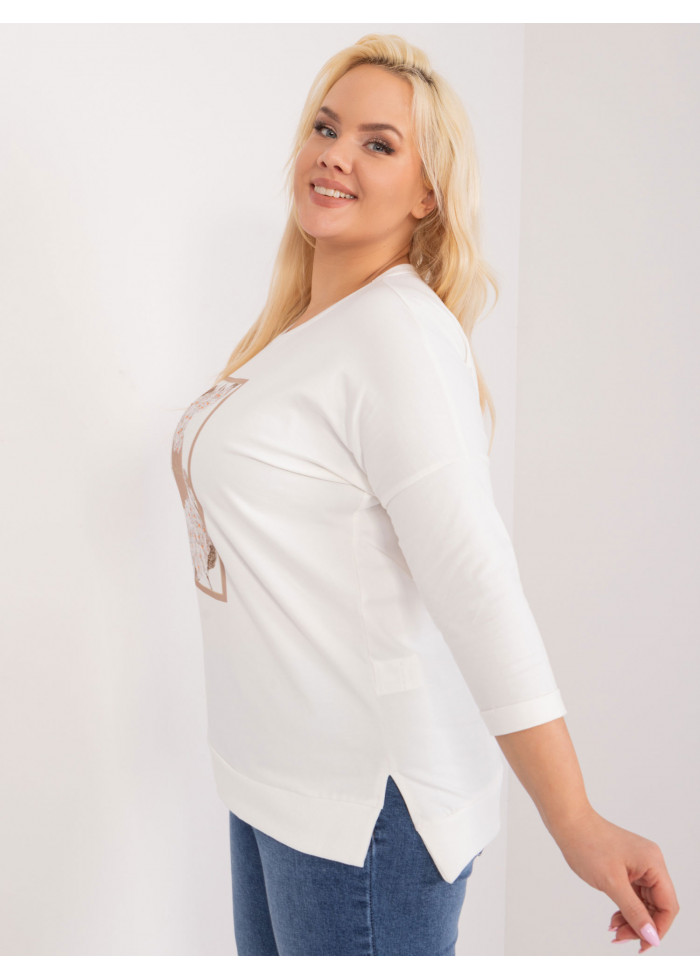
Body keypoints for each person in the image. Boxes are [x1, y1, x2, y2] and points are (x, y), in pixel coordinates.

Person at [170, 33, 679, 956]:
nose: (337, 154)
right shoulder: (301, 337)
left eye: (379, 143)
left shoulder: (397, 332)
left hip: (366, 814)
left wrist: (575, 819)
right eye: (327, 127)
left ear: (427, 192)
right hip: (277, 786)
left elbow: (476, 582)